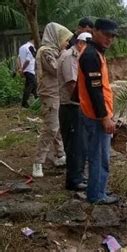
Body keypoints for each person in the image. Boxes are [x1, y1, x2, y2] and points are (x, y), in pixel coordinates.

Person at [78, 19, 118, 204]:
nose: (109, 39)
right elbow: (94, 90)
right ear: (95, 31)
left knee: (100, 156)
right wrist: (104, 118)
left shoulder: (97, 53)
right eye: (106, 34)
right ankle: (96, 195)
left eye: (112, 36)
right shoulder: (91, 55)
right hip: (96, 116)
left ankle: (99, 190)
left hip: (95, 114)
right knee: (99, 157)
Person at [32, 22, 73, 178]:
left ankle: (60, 155)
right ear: (57, 38)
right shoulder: (46, 52)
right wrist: (67, 56)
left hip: (56, 93)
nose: (67, 43)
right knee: (51, 128)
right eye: (65, 40)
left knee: (55, 126)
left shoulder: (54, 51)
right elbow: (57, 69)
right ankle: (38, 162)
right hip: (49, 95)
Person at [58, 32, 92, 191]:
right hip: (71, 106)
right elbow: (73, 84)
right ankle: (74, 180)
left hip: (74, 106)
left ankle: (78, 177)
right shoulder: (71, 57)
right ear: (80, 43)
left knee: (80, 144)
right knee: (75, 145)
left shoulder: (75, 55)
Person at [18, 39, 38, 108]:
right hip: (29, 70)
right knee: (30, 86)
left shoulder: (22, 47)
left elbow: (18, 59)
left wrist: (20, 68)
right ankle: (24, 103)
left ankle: (37, 101)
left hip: (26, 70)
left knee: (34, 86)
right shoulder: (31, 47)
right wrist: (22, 69)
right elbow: (28, 60)